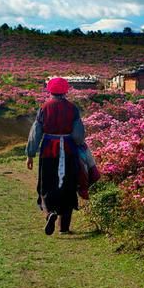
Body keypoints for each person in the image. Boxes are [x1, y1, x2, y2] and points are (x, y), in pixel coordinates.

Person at [26, 77, 85, 235]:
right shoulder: (73, 108)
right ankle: (64, 228)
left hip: (48, 151)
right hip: (68, 151)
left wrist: (30, 155)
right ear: (66, 90)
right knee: (68, 185)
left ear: (49, 90)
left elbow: (35, 133)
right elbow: (78, 136)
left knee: (47, 184)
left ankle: (49, 213)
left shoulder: (44, 107)